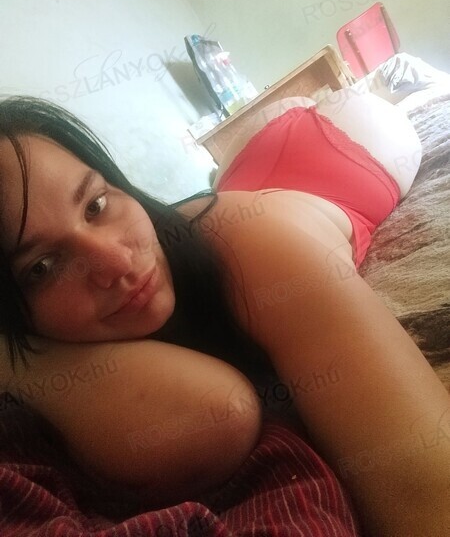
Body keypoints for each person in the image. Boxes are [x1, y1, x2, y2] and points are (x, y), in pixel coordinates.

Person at [0, 93, 449, 535]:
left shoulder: (253, 246)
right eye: (42, 267)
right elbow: (214, 415)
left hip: (345, 155)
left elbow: (426, 487)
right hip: (242, 176)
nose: (117, 263)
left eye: (96, 205)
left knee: (370, 102)